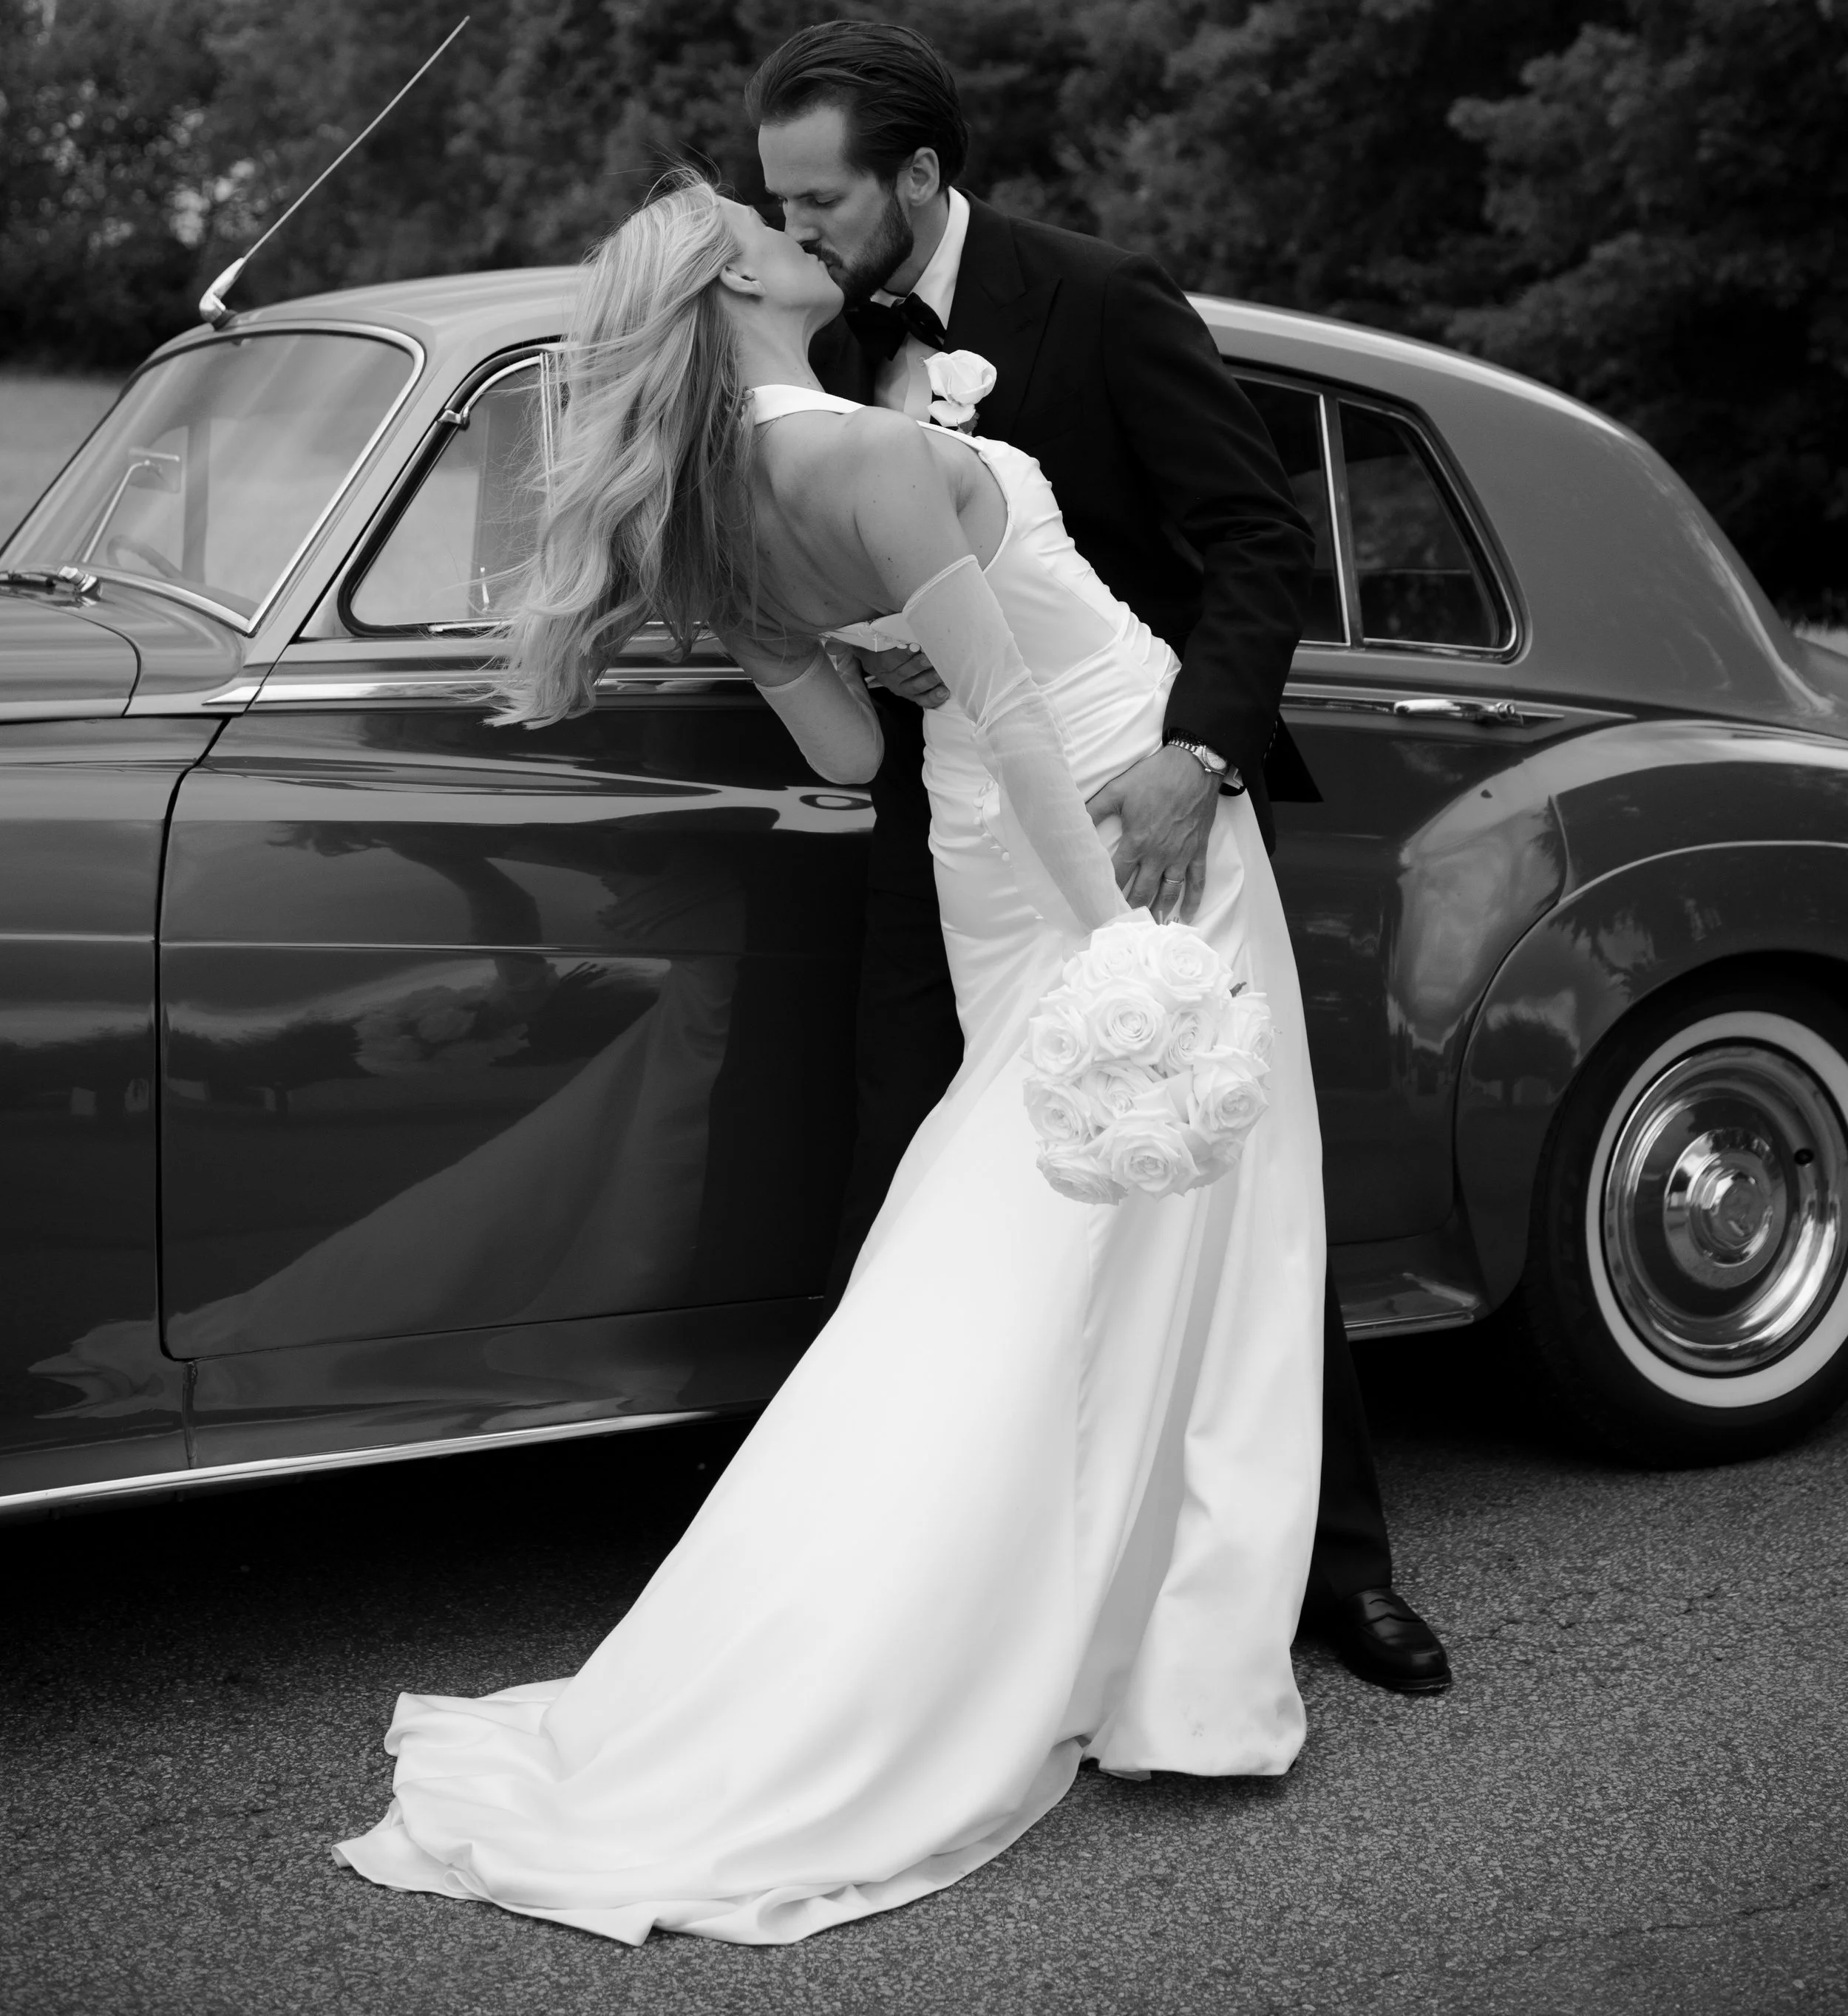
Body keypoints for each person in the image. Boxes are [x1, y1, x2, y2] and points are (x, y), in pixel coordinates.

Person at [338, 165, 1328, 1944]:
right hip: (1105, 818)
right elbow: (1020, 715)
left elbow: (860, 752)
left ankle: (1051, 1608)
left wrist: (889, 659)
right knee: (1192, 1223)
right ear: (727, 291)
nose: (800, 239)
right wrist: (1115, 939)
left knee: (1028, 1212)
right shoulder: (868, 458)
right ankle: (1160, 1661)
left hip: (973, 846)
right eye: (765, 231)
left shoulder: (712, 518)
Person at [751, 18, 1450, 1700]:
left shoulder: (1101, 297)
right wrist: (872, 656)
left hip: (1139, 799)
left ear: (919, 176)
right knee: (912, 1181)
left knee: (1214, 1161)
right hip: (955, 831)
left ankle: (1330, 1572)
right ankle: (912, 1588)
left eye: (822, 200)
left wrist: (1195, 760)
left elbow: (1252, 542)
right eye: (772, 202)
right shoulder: (798, 343)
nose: (794, 236)